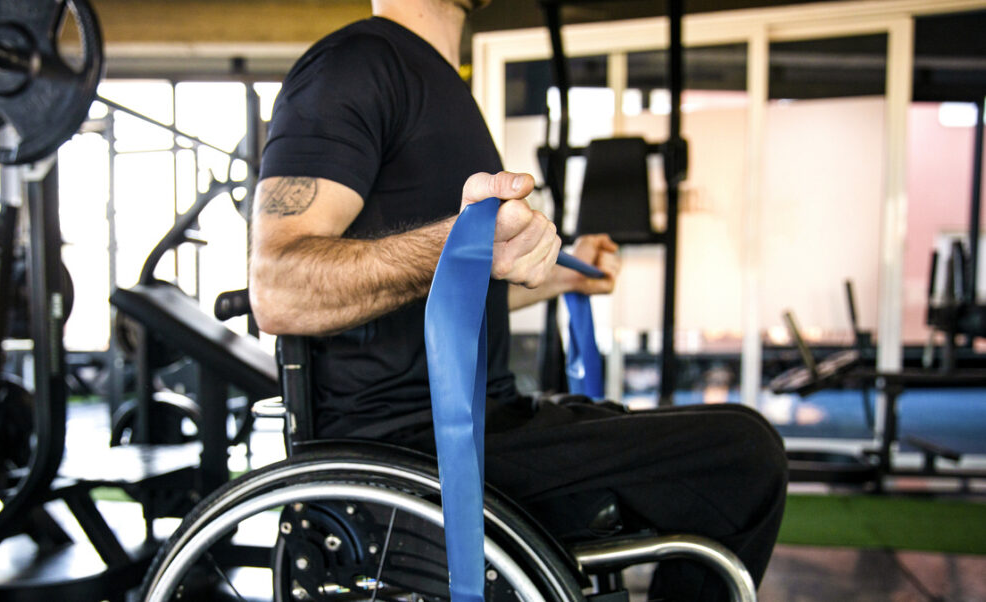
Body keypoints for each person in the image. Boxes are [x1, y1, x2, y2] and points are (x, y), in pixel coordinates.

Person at [249, 1, 788, 600]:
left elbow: (441, 296)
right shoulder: (354, 65)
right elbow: (278, 286)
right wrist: (457, 243)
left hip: (493, 417)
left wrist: (559, 275)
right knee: (742, 455)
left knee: (715, 443)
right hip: (407, 446)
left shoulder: (440, 79)